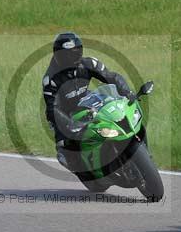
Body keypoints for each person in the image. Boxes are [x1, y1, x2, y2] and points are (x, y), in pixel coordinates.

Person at [42, 33, 135, 171]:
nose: (70, 58)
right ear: (57, 55)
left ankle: (137, 151)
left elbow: (111, 77)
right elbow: (52, 109)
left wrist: (127, 91)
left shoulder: (89, 63)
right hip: (65, 112)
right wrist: (69, 124)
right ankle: (79, 164)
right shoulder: (51, 79)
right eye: (66, 55)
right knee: (64, 148)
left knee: (119, 115)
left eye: (74, 53)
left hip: (88, 100)